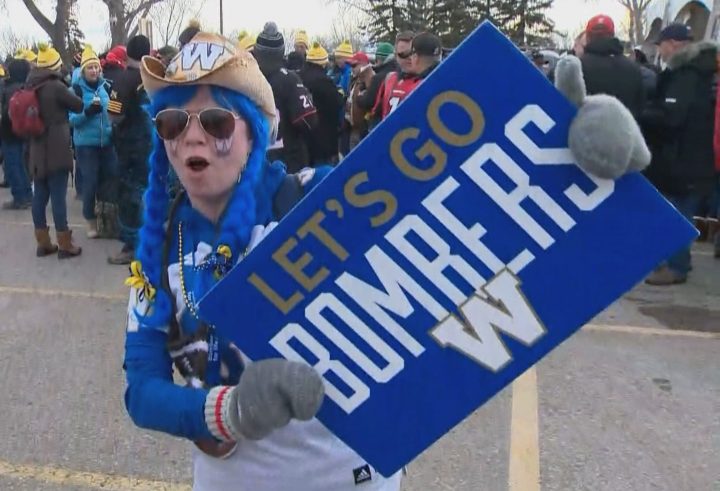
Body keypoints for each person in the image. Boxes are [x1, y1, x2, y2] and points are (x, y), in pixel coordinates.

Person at [123, 29, 650, 491]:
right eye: (173, 122)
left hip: (353, 478)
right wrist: (228, 410)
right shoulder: (158, 245)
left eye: (215, 121)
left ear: (255, 134)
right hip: (231, 481)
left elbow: (475, 218)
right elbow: (142, 391)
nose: (191, 134)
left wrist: (570, 162)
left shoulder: (318, 199)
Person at [641, 23, 718, 285]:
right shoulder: (702, 70)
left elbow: (673, 117)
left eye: (660, 44)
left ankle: (677, 266)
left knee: (677, 212)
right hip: (694, 156)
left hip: (683, 158)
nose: (659, 50)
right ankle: (678, 261)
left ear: (672, 44)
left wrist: (644, 114)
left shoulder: (686, 74)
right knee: (680, 209)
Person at [26, 43, 83, 258]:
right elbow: (78, 105)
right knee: (58, 197)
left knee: (39, 197)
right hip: (56, 149)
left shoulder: (30, 85)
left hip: (36, 149)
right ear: (55, 66)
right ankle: (65, 244)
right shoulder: (56, 87)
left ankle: (43, 242)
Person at [107, 35, 153, 265]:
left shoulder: (123, 80)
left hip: (129, 146)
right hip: (153, 145)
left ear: (127, 54)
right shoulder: (155, 77)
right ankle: (152, 239)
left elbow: (114, 115)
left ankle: (132, 245)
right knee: (150, 190)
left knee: (129, 194)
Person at [253, 21, 318, 172]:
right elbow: (309, 121)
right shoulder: (289, 80)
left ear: (257, 52)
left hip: (256, 164)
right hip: (288, 162)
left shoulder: (246, 80)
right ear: (281, 52)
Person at [70, 44, 118, 239]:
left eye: (97, 67)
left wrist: (115, 123)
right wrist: (88, 112)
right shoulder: (75, 90)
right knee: (90, 183)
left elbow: (114, 110)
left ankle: (108, 219)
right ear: (83, 71)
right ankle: (90, 219)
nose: (94, 71)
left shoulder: (106, 86)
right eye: (90, 68)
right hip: (86, 145)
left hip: (107, 142)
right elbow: (71, 120)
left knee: (111, 179)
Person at [580, 14, 645, 118]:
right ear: (613, 35)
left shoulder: (577, 67)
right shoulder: (633, 69)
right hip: (625, 131)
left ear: (587, 37)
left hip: (586, 132)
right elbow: (640, 108)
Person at [374, 32, 441, 121]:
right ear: (395, 56)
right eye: (403, 55)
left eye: (411, 53)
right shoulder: (390, 78)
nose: (409, 58)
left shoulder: (430, 83)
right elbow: (376, 114)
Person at [300, 42, 344, 163]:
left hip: (304, 137)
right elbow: (337, 102)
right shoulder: (323, 81)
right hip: (324, 137)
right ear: (323, 63)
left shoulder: (299, 77)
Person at [0, 57, 33, 210]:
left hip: (8, 131)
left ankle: (19, 197)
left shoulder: (7, 89)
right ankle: (27, 195)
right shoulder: (27, 88)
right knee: (22, 164)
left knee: (12, 165)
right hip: (24, 130)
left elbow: (5, 113)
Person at [357, 41, 395, 130]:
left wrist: (359, 97)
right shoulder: (399, 73)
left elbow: (368, 101)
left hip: (377, 120)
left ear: (379, 59)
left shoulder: (378, 77)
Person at [346, 51, 374, 149]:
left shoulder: (370, 78)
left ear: (363, 65)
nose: (351, 69)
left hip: (363, 131)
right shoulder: (356, 79)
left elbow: (371, 102)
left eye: (354, 66)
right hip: (354, 129)